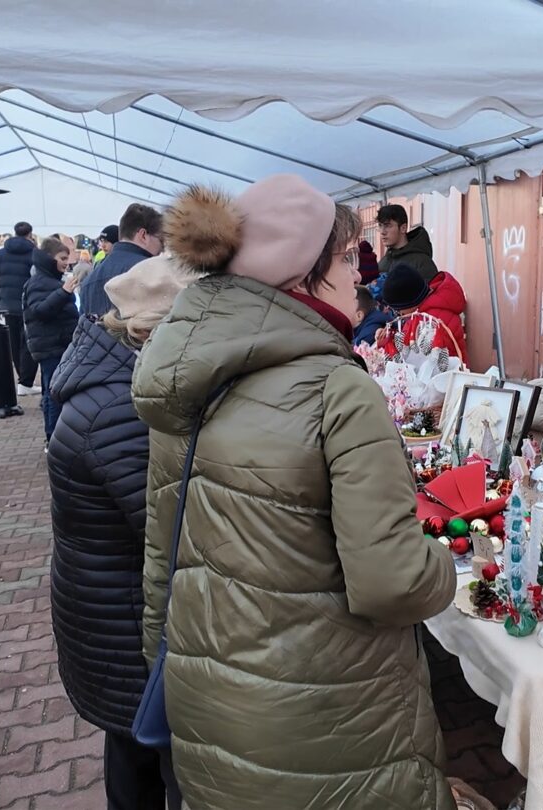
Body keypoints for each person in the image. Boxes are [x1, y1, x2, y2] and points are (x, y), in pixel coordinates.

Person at [133, 176, 457, 810]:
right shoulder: (336, 388)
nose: (358, 273)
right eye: (344, 258)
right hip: (329, 715)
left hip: (209, 700)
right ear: (301, 274)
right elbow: (393, 581)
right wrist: (444, 569)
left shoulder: (184, 381)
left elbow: (159, 561)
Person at [47, 254, 197, 810]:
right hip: (128, 623)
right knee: (161, 760)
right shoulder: (122, 406)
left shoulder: (112, 385)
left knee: (132, 747)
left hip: (110, 614)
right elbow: (175, 528)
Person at [22, 237, 80, 442]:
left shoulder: (47, 280)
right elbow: (41, 311)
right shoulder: (42, 283)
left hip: (54, 344)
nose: (66, 262)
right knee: (53, 393)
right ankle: (54, 438)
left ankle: (53, 436)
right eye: (62, 258)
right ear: (49, 258)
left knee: (51, 391)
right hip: (52, 346)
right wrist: (63, 293)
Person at [78, 204, 163, 318]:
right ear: (143, 235)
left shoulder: (89, 280)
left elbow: (83, 330)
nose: (162, 247)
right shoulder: (153, 271)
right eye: (160, 239)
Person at [0, 221, 40, 396]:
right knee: (28, 342)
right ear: (30, 234)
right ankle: (25, 381)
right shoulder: (33, 253)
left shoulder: (1, 254)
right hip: (26, 304)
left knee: (13, 343)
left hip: (6, 306)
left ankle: (22, 379)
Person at [379, 265, 467, 359]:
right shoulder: (423, 311)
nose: (399, 314)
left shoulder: (431, 321)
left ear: (410, 302)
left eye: (398, 309)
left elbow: (431, 361)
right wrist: (388, 338)